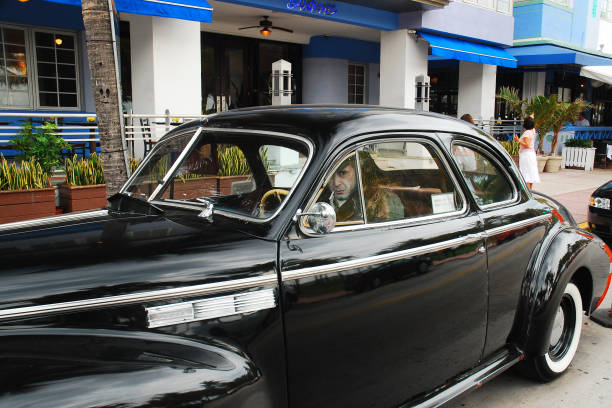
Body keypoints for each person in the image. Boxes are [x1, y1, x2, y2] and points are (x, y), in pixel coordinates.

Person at [513, 116, 540, 189]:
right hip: (531, 154)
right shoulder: (533, 131)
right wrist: (531, 116)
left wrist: (518, 140)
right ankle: (530, 191)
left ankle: (526, 191)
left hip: (526, 155)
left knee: (526, 173)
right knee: (530, 174)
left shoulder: (527, 133)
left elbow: (527, 145)